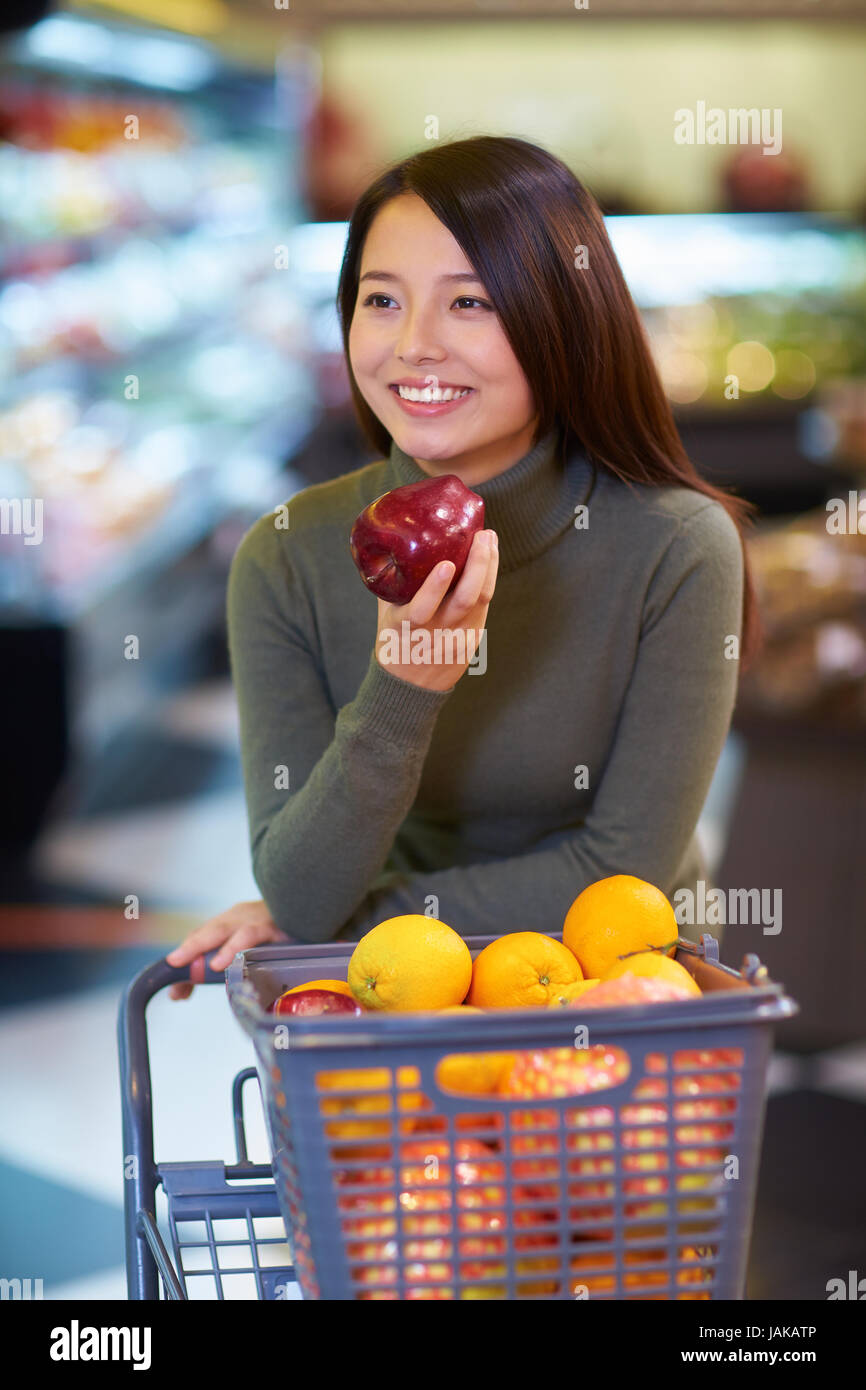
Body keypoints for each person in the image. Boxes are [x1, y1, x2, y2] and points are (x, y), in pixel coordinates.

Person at [167, 134, 762, 1000]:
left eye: (471, 303)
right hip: (397, 1008)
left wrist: (347, 923)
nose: (412, 345)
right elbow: (296, 881)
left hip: (622, 993)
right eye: (380, 299)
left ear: (561, 318)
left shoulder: (675, 545)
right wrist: (403, 691)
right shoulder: (288, 554)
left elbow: (620, 875)